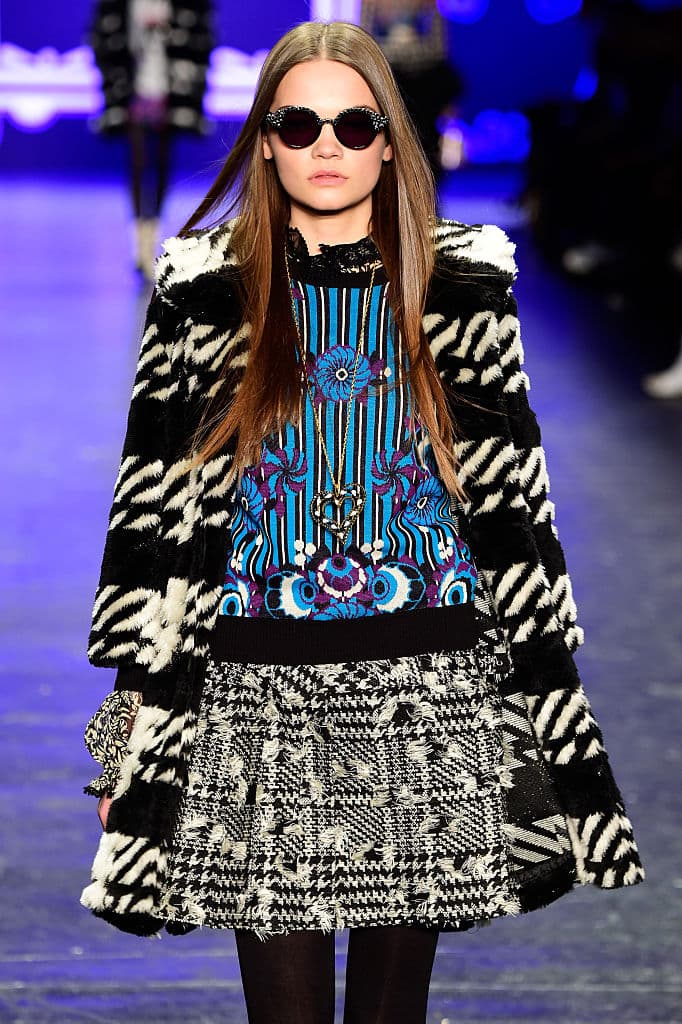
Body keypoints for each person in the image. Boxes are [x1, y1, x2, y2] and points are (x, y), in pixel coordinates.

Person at [81, 21, 644, 1024]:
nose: (327, 145)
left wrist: (547, 709)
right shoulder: (202, 291)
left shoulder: (462, 284)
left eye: (354, 124)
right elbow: (148, 524)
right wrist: (122, 739)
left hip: (428, 683)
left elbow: (515, 504)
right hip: (254, 689)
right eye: (299, 124)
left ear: (390, 142)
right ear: (265, 142)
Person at [90, 0, 214, 280]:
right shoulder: (117, 6)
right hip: (133, 88)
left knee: (161, 163)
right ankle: (140, 241)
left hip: (170, 87)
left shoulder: (187, 7)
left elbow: (201, 38)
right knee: (137, 161)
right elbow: (104, 38)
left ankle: (152, 236)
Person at [360, 0, 463, 179]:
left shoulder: (436, 67)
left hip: (426, 149)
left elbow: (449, 110)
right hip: (387, 153)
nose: (400, 7)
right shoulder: (374, 67)